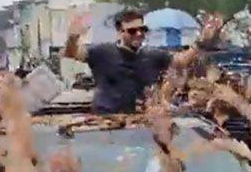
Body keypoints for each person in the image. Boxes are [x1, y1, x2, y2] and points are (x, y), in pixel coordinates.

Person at [63, 9, 200, 114]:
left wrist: (201, 42)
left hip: (140, 121)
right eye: (132, 31)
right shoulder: (102, 52)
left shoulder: (152, 55)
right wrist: (73, 37)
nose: (139, 34)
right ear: (119, 31)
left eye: (143, 29)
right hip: (106, 121)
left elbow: (181, 61)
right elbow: (72, 53)